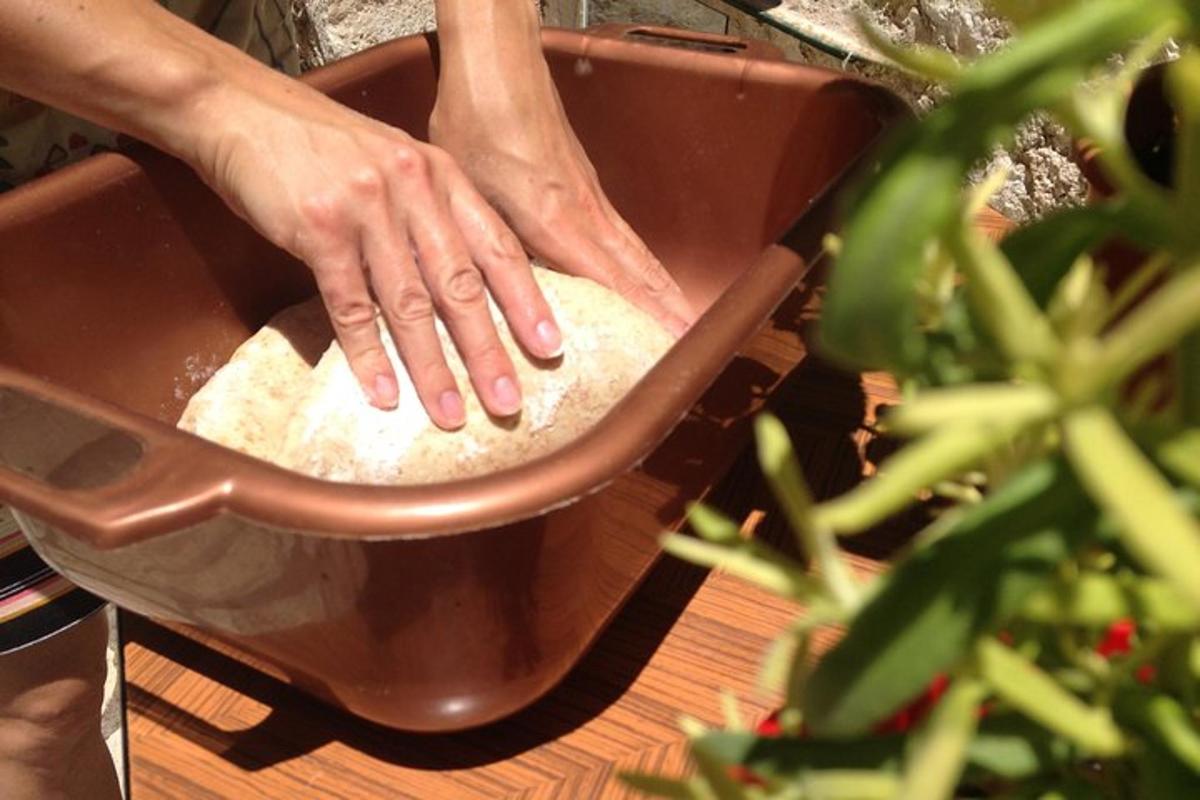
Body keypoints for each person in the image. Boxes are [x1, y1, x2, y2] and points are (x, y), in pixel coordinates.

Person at [0, 2, 694, 797]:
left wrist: (499, 66)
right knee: (36, 712)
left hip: (249, 105)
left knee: (315, 610)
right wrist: (212, 99)